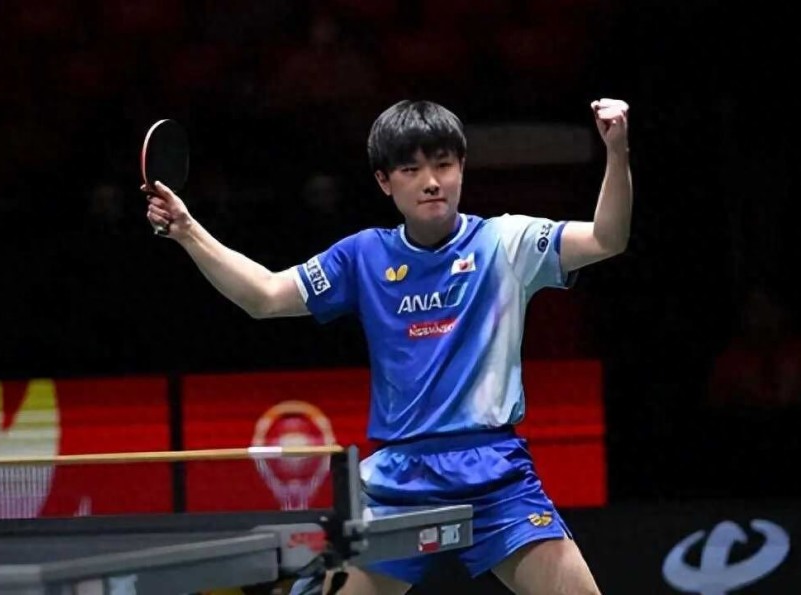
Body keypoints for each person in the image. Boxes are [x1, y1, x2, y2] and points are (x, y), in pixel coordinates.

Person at [143, 98, 632, 595]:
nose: (431, 181)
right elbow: (265, 296)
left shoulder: (507, 242)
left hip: (494, 475)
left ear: (462, 167)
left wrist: (616, 151)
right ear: (384, 181)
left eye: (443, 164)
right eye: (411, 170)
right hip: (401, 483)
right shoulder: (363, 256)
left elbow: (607, 239)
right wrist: (187, 230)